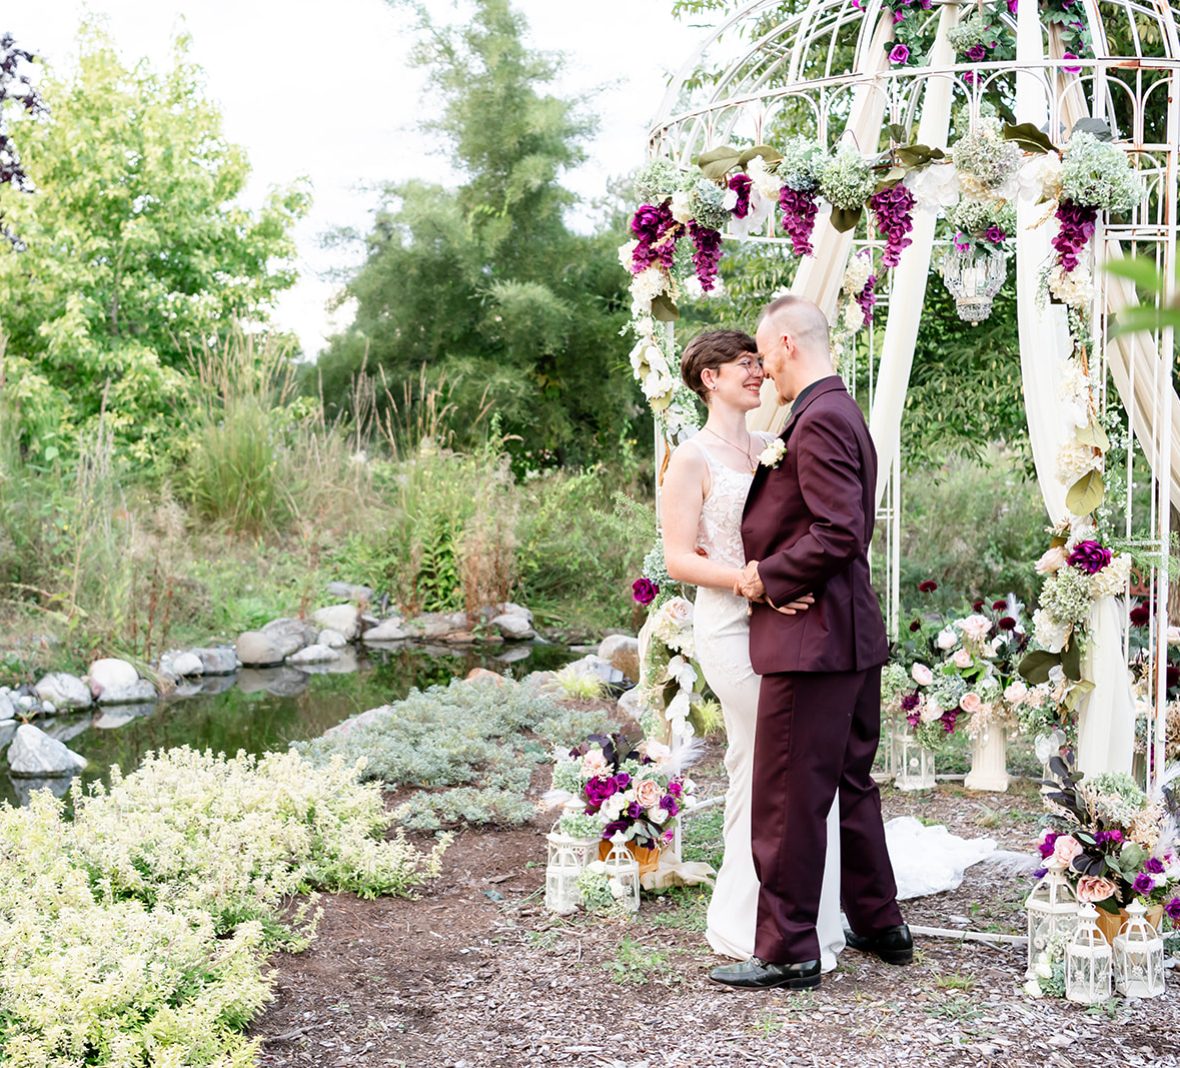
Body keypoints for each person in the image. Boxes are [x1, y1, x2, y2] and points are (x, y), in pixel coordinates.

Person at [709, 296, 910, 992]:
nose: (764, 368)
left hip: (812, 638)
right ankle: (880, 921)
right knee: (851, 783)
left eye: (765, 354)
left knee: (787, 795)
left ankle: (790, 946)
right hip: (849, 633)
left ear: (788, 343)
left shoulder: (818, 420)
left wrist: (764, 578)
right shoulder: (843, 412)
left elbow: (838, 532)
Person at [660, 327, 845, 974]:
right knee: (775, 761)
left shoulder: (776, 446)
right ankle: (763, 927)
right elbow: (679, 558)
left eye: (758, 363)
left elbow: (804, 530)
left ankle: (767, 921)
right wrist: (749, 581)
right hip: (730, 627)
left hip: (783, 620)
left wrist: (788, 582)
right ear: (709, 378)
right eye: (744, 364)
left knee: (758, 766)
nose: (758, 372)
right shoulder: (690, 458)